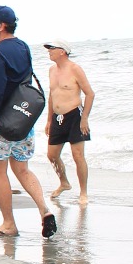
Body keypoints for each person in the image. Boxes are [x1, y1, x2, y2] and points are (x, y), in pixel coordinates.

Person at [0, 6, 55, 238]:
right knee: (22, 168)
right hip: (22, 119)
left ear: (1, 25)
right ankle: (44, 209)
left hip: (1, 121)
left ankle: (9, 224)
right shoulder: (22, 47)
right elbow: (14, 83)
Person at [44, 40, 95, 205]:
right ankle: (64, 182)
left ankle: (83, 193)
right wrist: (49, 119)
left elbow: (90, 94)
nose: (49, 51)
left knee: (78, 155)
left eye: (52, 48)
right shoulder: (51, 70)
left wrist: (84, 118)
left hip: (75, 115)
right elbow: (52, 95)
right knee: (52, 155)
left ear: (62, 52)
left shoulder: (75, 69)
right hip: (58, 118)